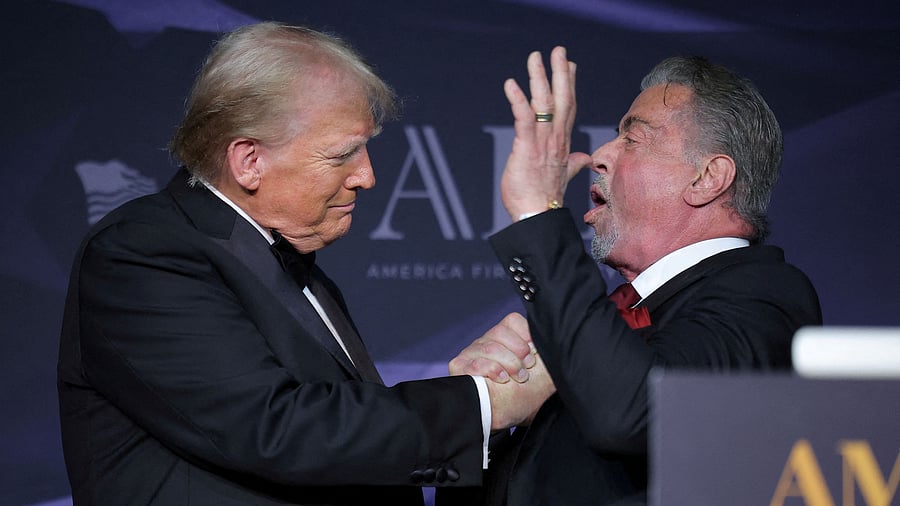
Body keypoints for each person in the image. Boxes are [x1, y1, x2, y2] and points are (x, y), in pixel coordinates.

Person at [56, 22, 553, 505]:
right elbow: (273, 429)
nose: (367, 176)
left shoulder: (290, 261)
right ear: (249, 160)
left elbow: (343, 459)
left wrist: (473, 409)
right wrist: (482, 404)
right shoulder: (142, 253)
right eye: (342, 155)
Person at [446, 48, 822, 505]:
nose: (600, 154)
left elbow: (631, 415)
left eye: (633, 138)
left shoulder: (765, 295)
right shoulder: (600, 330)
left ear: (708, 178)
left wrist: (537, 213)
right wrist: (486, 423)